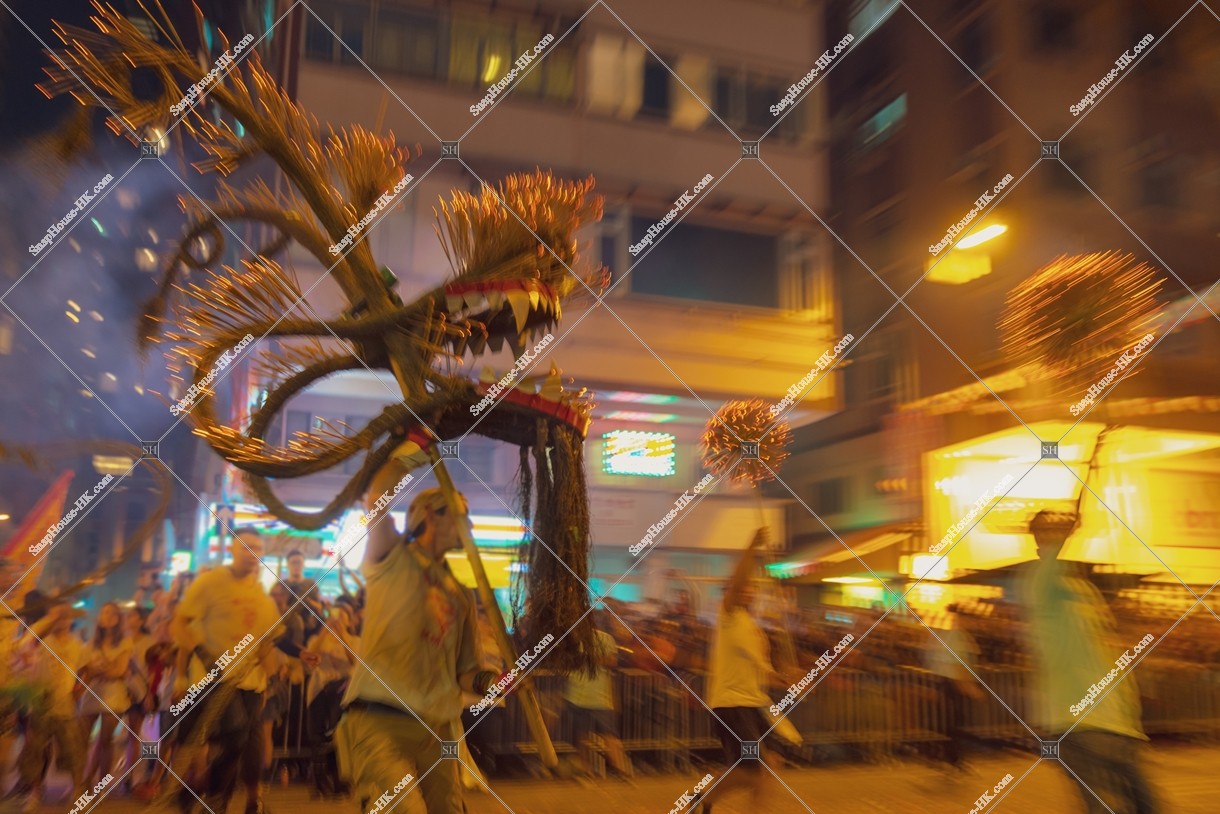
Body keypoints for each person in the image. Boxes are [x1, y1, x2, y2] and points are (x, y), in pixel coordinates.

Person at [335, 457, 501, 814]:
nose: (468, 523)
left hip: (437, 730)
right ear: (428, 514)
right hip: (379, 719)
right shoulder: (391, 555)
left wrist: (494, 682)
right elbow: (378, 496)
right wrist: (410, 450)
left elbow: (466, 673)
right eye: (460, 514)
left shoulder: (462, 594)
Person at [1019, 510, 1160, 813]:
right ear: (1037, 541)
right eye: (1045, 531)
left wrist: (1129, 704)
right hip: (1076, 722)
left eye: (1056, 531)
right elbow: (1050, 566)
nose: (1054, 537)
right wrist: (1067, 531)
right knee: (1101, 806)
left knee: (1147, 806)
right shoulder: (1040, 584)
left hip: (1117, 727)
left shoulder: (1085, 591)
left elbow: (1105, 651)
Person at [170, 529, 282, 814]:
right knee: (233, 736)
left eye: (257, 547)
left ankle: (208, 793)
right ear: (232, 549)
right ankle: (206, 792)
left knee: (242, 746)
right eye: (245, 546)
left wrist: (272, 678)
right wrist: (199, 655)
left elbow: (266, 642)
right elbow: (179, 625)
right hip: (213, 680)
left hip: (251, 685)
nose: (251, 552)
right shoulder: (209, 583)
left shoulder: (263, 598)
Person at [696, 527, 789, 814]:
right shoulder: (729, 615)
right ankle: (705, 798)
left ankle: (706, 800)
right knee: (751, 769)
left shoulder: (751, 626)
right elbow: (737, 583)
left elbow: (762, 669)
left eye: (752, 587)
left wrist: (786, 678)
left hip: (752, 703)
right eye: (744, 586)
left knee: (770, 763)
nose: (749, 589)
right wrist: (752, 546)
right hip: (731, 702)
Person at [16, 600, 87, 811]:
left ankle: (77, 792)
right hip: (42, 705)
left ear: (71, 620)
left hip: (66, 706)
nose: (61, 620)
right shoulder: (40, 641)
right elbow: (25, 646)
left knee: (73, 750)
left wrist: (78, 691)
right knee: (35, 751)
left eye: (65, 616)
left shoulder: (77, 645)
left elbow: (85, 670)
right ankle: (35, 792)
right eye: (56, 615)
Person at [563, 612, 632, 781]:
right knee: (582, 735)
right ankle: (586, 771)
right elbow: (565, 662)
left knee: (609, 735)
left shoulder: (605, 638)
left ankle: (621, 770)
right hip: (576, 694)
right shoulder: (572, 641)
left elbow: (612, 661)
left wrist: (590, 657)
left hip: (599, 696)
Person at [79, 601, 134, 790]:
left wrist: (99, 670)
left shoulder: (125, 641)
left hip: (114, 696)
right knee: (82, 740)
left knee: (105, 741)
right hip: (92, 693)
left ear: (118, 619)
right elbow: (85, 671)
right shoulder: (90, 643)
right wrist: (103, 670)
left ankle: (101, 786)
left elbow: (119, 671)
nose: (107, 616)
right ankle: (82, 781)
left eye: (111, 613)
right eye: (103, 613)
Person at [924, 603, 984, 773]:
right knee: (954, 723)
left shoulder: (955, 636)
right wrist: (968, 687)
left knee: (951, 723)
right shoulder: (958, 638)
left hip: (950, 683)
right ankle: (952, 758)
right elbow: (956, 665)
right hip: (953, 684)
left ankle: (948, 758)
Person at [283, 550, 323, 639]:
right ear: (288, 565)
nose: (296, 566)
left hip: (306, 631)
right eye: (293, 563)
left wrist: (311, 604)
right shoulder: (281, 585)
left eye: (299, 562)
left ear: (303, 564)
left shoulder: (311, 585)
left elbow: (319, 608)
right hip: (283, 630)